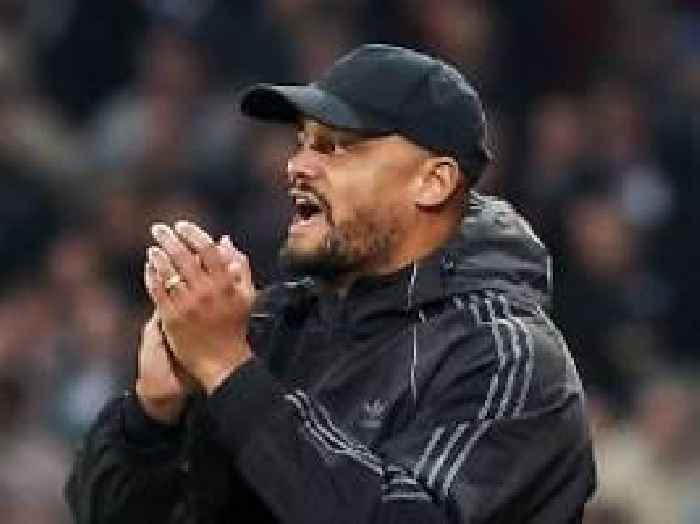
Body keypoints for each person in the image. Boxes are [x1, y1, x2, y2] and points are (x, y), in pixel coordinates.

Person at [65, 44, 596, 523]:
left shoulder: (505, 357)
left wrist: (230, 372)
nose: (296, 165)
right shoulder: (269, 327)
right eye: (301, 142)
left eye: (335, 146)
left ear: (432, 182)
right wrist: (151, 418)